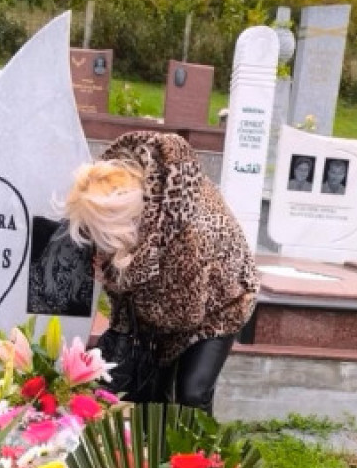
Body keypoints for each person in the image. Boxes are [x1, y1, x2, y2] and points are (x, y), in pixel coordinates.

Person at [64, 131, 259, 412]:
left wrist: (118, 279)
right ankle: (154, 436)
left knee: (192, 393)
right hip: (167, 299)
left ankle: (196, 440)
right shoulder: (138, 204)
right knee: (152, 393)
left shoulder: (188, 236)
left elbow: (185, 316)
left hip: (221, 304)